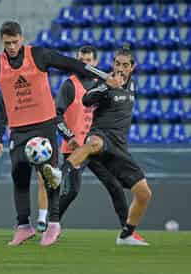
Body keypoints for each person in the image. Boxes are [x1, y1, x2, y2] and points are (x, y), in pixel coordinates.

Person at [0, 21, 120, 246]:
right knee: (18, 176)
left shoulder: (38, 55)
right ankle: (23, 226)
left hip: (44, 125)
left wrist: (103, 76)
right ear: (1, 42)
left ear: (21, 38)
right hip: (18, 129)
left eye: (14, 42)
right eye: (7, 43)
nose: (12, 46)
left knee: (49, 175)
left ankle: (53, 224)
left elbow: (71, 63)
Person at [61, 46, 152, 246]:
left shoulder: (132, 85)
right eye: (117, 64)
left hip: (119, 148)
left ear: (132, 67)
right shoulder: (105, 82)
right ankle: (61, 172)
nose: (120, 68)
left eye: (125, 65)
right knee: (93, 143)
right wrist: (107, 86)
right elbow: (86, 99)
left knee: (144, 193)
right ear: (112, 64)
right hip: (101, 135)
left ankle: (126, 234)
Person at [56, 45, 130, 229]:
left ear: (95, 62)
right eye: (81, 61)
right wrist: (68, 136)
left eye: (88, 61)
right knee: (71, 191)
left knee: (115, 186)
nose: (85, 64)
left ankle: (128, 230)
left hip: (97, 145)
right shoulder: (69, 85)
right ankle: (52, 223)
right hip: (75, 147)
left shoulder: (105, 84)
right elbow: (55, 116)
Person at [0, 94, 49, 233]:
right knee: (21, 180)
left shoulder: (34, 86)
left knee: (44, 178)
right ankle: (23, 221)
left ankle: (42, 219)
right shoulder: (4, 94)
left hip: (38, 137)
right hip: (18, 138)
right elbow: (0, 119)